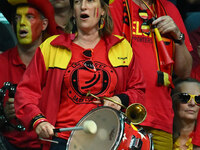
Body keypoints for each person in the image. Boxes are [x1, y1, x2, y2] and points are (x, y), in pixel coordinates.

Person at [14, 0, 145, 149]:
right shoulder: (51, 47)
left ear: (102, 10)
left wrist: (119, 99)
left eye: (90, 1)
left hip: (108, 141)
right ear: (73, 11)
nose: (83, 6)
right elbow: (25, 92)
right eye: (77, 2)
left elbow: (138, 90)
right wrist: (38, 120)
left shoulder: (122, 47)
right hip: (62, 140)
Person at [109, 0, 193, 149]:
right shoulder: (116, 6)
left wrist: (178, 36)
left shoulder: (169, 9)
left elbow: (185, 71)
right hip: (122, 116)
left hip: (160, 118)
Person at [0, 0, 57, 149]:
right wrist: (3, 115)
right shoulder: (1, 63)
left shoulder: (58, 62)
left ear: (44, 24)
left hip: (51, 144)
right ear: (12, 25)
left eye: (29, 17)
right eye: (17, 18)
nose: (22, 23)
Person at [172, 78, 200, 150]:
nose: (192, 103)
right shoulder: (159, 137)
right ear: (173, 101)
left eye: (198, 99)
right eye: (185, 97)